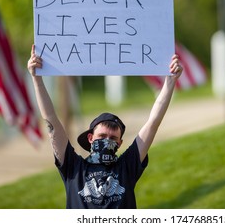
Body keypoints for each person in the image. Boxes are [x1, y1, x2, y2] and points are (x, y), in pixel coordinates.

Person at [27, 44, 183, 209]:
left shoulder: (127, 166)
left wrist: (170, 82)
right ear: (90, 138)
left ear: (120, 143)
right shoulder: (73, 167)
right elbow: (50, 118)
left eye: (113, 138)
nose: (107, 141)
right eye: (102, 136)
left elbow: (153, 123)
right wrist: (36, 79)